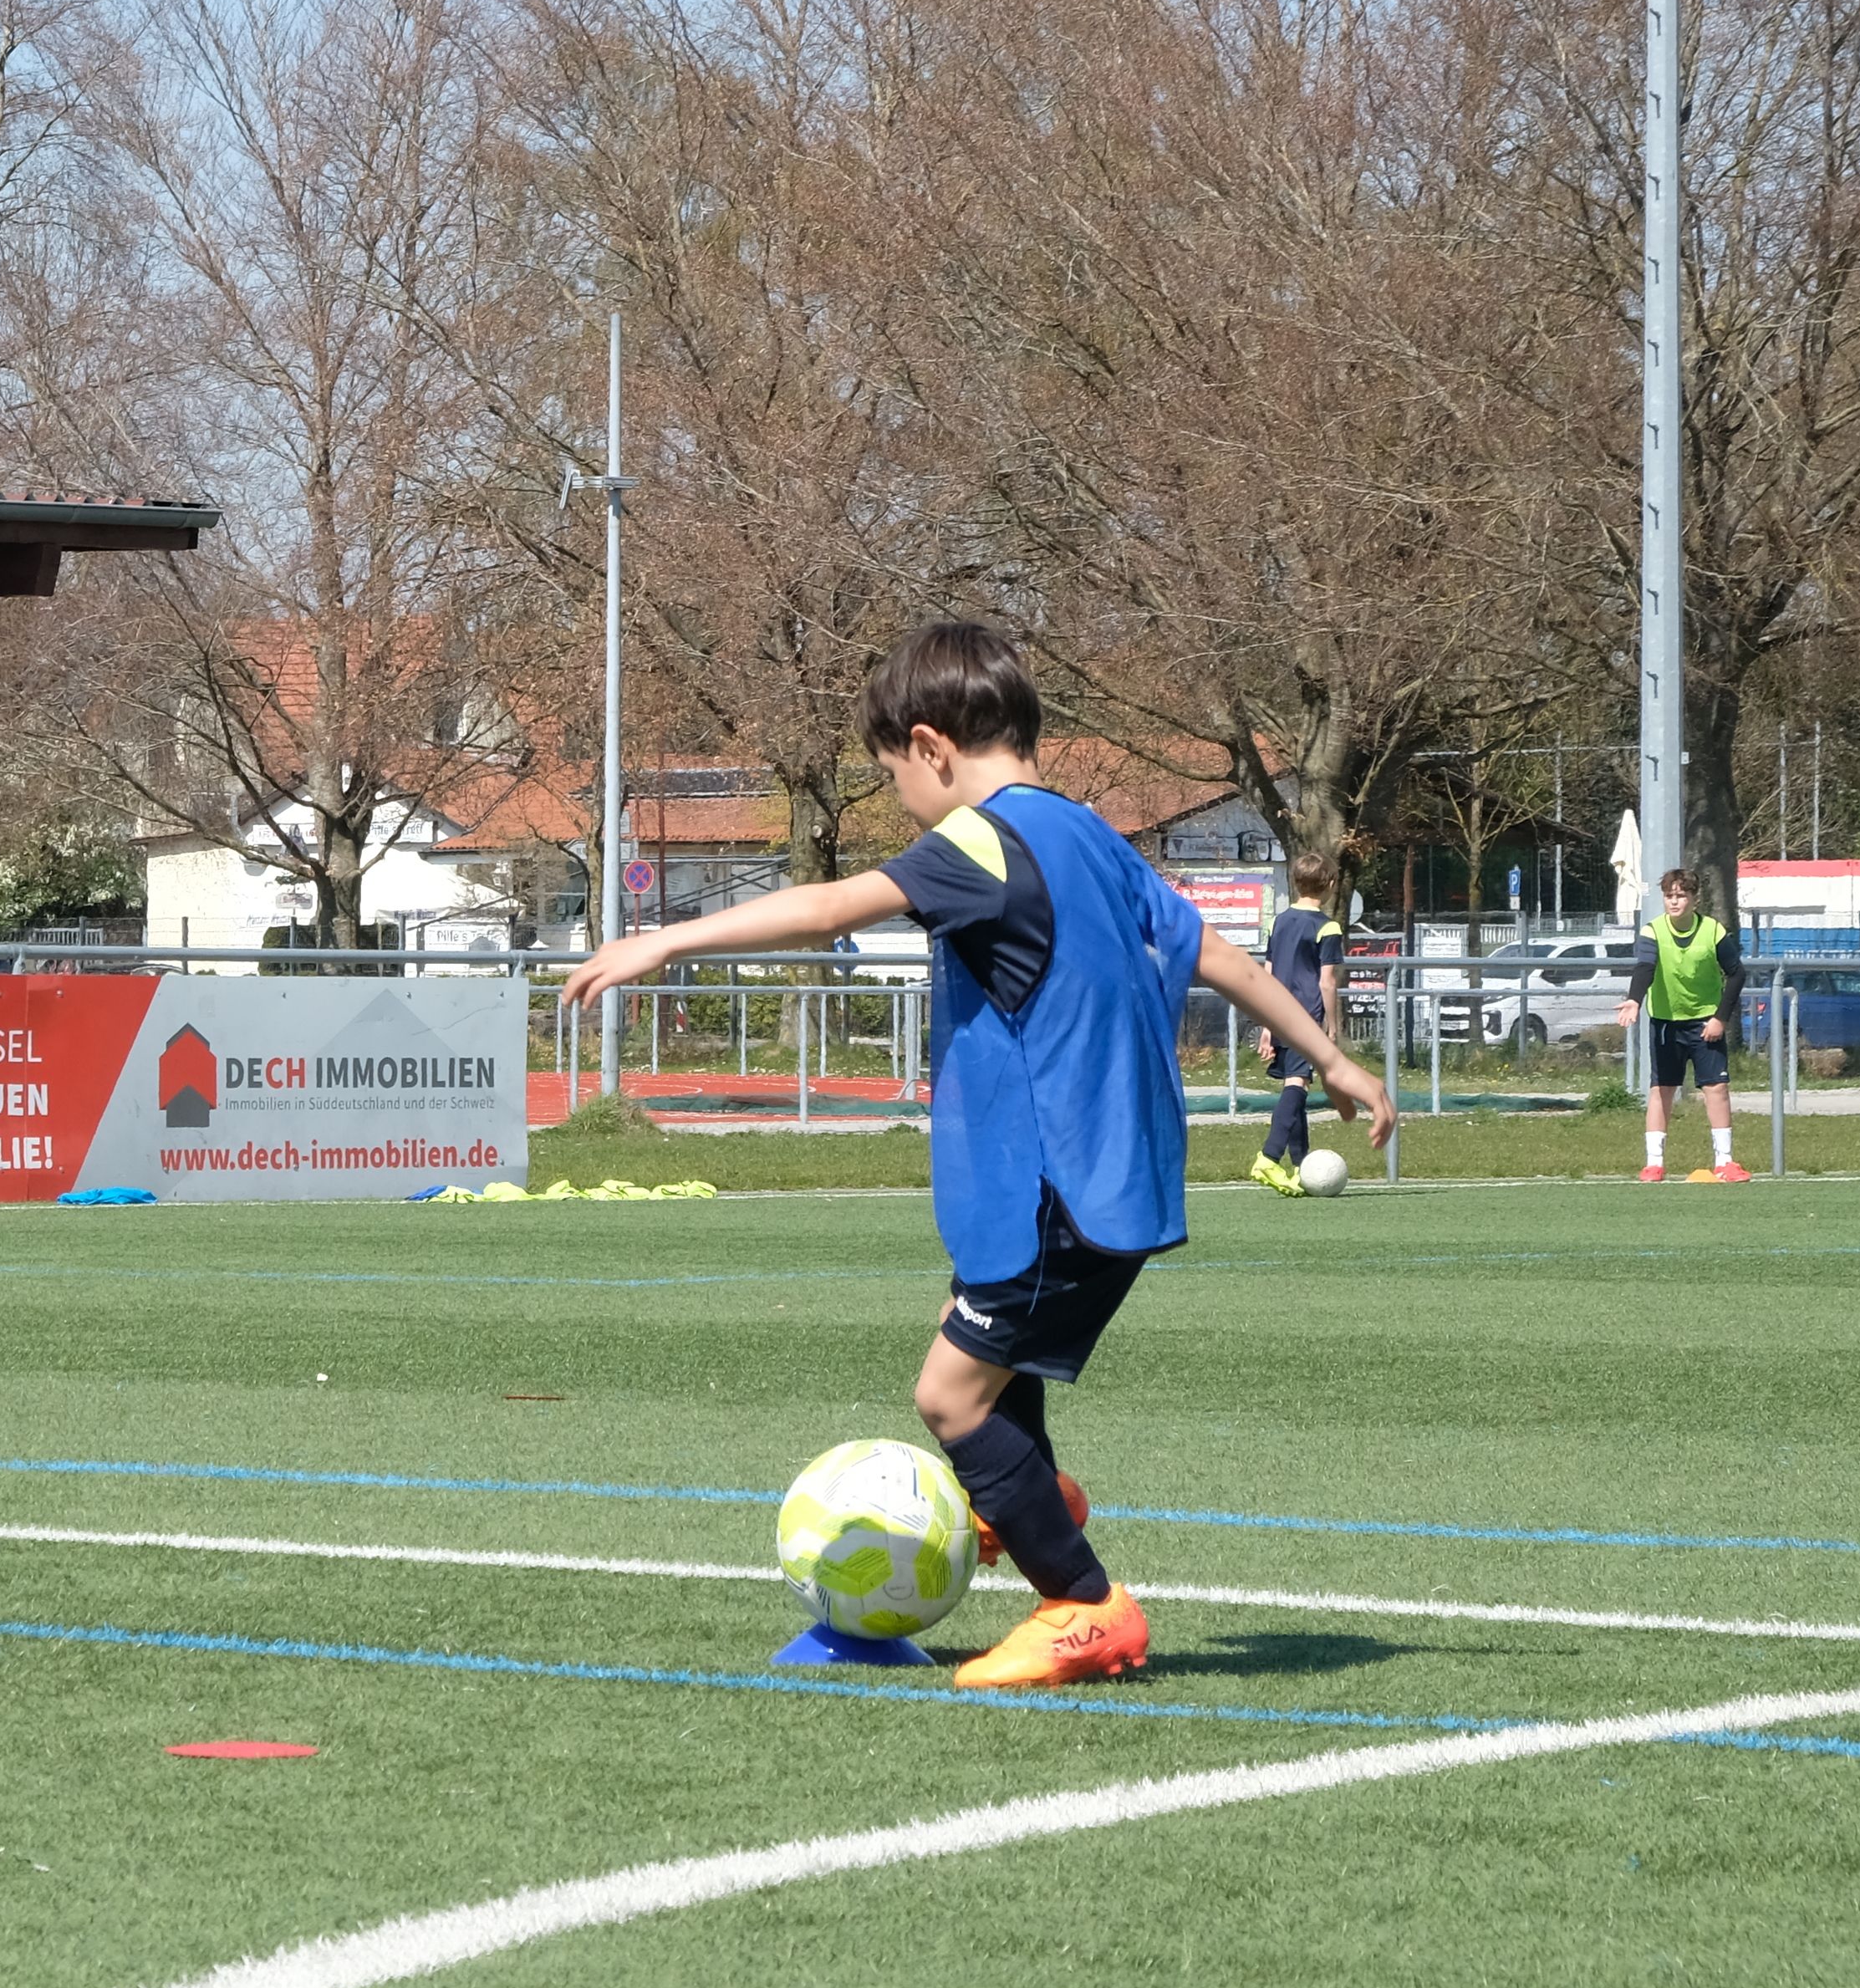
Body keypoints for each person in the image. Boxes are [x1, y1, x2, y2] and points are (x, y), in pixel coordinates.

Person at [561, 621, 1393, 1691]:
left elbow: (829, 908)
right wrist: (1332, 1056)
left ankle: (1084, 1602)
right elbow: (1220, 955)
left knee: (951, 1397)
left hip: (1057, 1185)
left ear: (931, 746)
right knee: (1002, 1380)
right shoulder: (1091, 833)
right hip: (1112, 1174)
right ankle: (1036, 1500)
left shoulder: (981, 840)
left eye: (892, 777)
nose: (903, 801)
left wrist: (666, 938)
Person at [1626, 867, 1743, 1183]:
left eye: (1681, 895)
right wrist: (1634, 1000)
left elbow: (1737, 973)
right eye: (1669, 896)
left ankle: (1725, 1161)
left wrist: (1720, 1018)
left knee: (1716, 1088)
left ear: (1694, 898)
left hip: (1706, 1023)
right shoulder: (1653, 931)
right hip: (1667, 1023)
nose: (1674, 901)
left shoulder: (1713, 930)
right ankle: (1654, 1164)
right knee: (1662, 1089)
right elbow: (1645, 967)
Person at [1252, 855, 1342, 1193]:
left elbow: (1268, 975)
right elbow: (1327, 983)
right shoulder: (1327, 927)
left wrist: (1266, 1025)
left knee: (1295, 1085)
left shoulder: (1279, 922)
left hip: (1278, 1013)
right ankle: (1268, 1157)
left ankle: (1300, 1168)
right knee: (1297, 1084)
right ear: (1330, 884)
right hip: (1306, 1017)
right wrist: (1332, 1027)